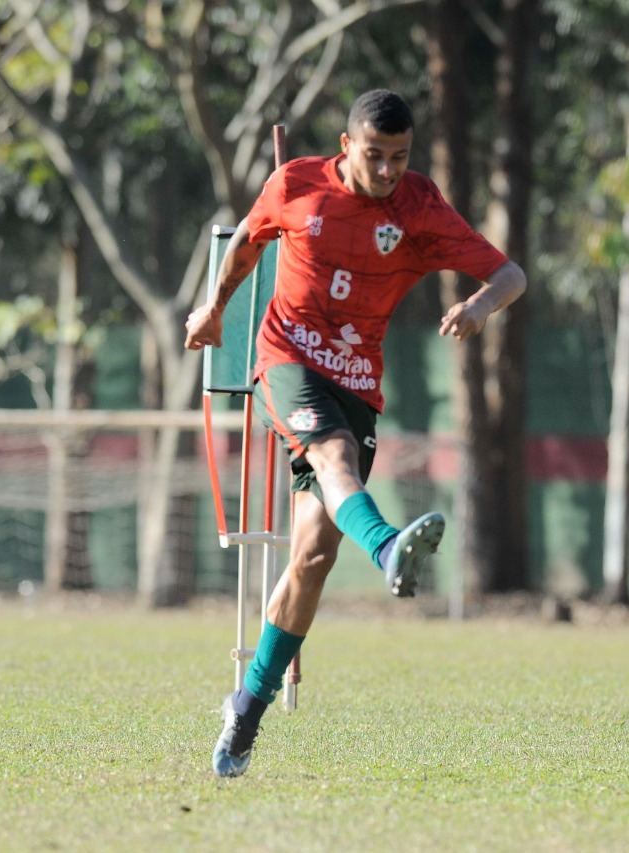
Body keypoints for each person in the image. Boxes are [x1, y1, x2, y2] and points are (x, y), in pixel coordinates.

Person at [183, 89, 526, 778]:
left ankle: (245, 707)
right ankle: (390, 545)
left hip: (357, 383)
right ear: (347, 146)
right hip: (287, 361)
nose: (388, 169)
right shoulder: (297, 183)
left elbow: (510, 273)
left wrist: (480, 305)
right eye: (375, 155)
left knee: (311, 554)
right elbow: (247, 245)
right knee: (334, 455)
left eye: (400, 156)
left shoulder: (420, 206)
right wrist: (214, 309)